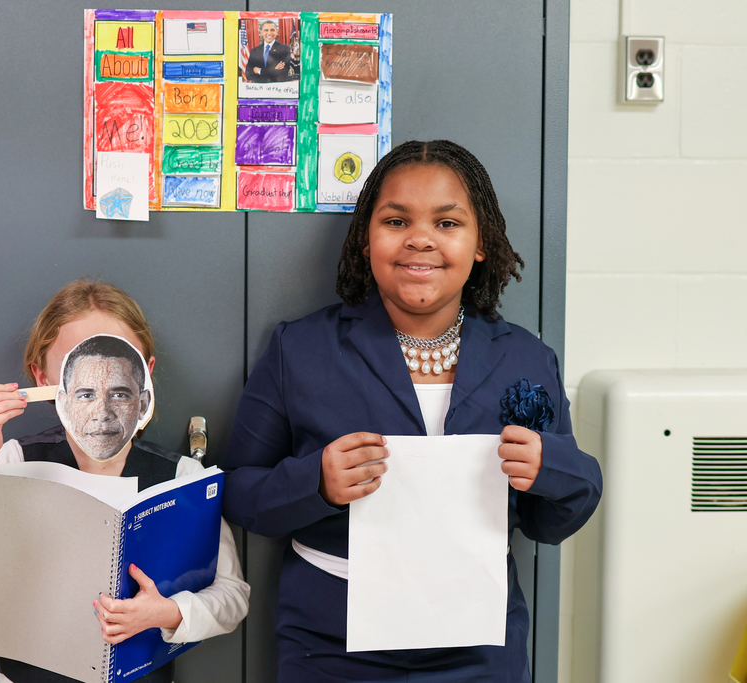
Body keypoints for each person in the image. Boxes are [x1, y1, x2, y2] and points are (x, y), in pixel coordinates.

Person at [220, 140, 602, 682]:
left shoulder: (526, 356)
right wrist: (317, 483)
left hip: (478, 646)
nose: (420, 238)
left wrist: (551, 469)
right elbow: (237, 491)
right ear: (366, 241)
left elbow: (557, 517)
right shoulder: (300, 350)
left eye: (448, 223)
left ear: (480, 245)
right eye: (396, 221)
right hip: (333, 646)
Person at [0, 280, 250, 683]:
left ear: (145, 376)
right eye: (82, 375)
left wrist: (171, 612)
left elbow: (232, 596)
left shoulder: (181, 478)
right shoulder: (13, 461)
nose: (102, 405)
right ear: (44, 380)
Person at [56, 334, 152, 461]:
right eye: (87, 396)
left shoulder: (181, 472)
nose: (102, 414)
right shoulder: (22, 458)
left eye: (119, 395)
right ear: (65, 406)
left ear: (143, 404)